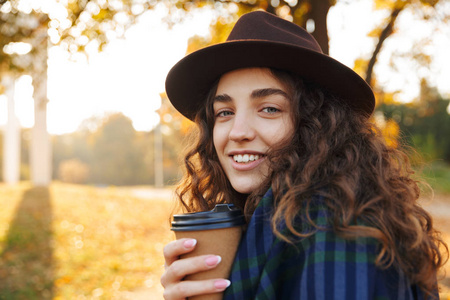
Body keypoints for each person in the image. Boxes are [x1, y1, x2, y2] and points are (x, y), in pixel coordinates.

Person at [160, 11, 447, 300]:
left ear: (316, 122)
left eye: (269, 108)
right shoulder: (266, 216)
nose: (237, 132)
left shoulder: (332, 224)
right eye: (224, 112)